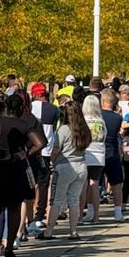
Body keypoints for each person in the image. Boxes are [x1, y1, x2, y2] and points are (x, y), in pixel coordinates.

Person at [0, 93, 44, 256]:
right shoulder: (24, 124)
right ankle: (9, 246)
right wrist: (27, 153)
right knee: (14, 208)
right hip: (16, 166)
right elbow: (41, 143)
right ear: (21, 108)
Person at [41, 101, 90, 240]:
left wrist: (52, 160)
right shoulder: (84, 129)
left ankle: (49, 231)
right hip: (81, 165)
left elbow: (56, 148)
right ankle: (73, 231)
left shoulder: (63, 129)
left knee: (56, 200)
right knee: (74, 200)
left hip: (65, 165)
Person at [29, 82, 59, 226]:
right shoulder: (54, 109)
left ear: (34, 94)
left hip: (32, 150)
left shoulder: (28, 109)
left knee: (31, 182)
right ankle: (40, 213)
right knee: (43, 184)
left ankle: (30, 213)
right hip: (47, 150)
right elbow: (55, 128)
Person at [80, 95, 106, 224]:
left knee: (83, 186)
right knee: (95, 186)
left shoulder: (83, 121)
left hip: (86, 154)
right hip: (99, 156)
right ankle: (96, 216)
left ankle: (79, 216)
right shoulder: (101, 121)